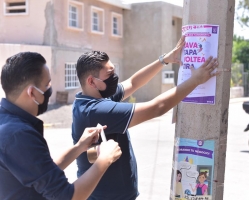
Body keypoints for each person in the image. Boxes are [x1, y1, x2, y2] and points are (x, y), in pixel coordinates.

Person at [72, 35, 219, 200]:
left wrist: (165, 59)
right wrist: (196, 80)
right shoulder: (96, 110)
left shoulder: (92, 97)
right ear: (92, 81)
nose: (114, 77)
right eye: (109, 74)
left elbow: (133, 83)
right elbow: (157, 107)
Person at [0, 52, 122, 200]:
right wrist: (105, 159)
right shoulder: (18, 135)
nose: (49, 89)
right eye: (47, 85)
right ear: (32, 92)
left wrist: (79, 147)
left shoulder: (6, 122)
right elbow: (68, 196)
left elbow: (43, 172)